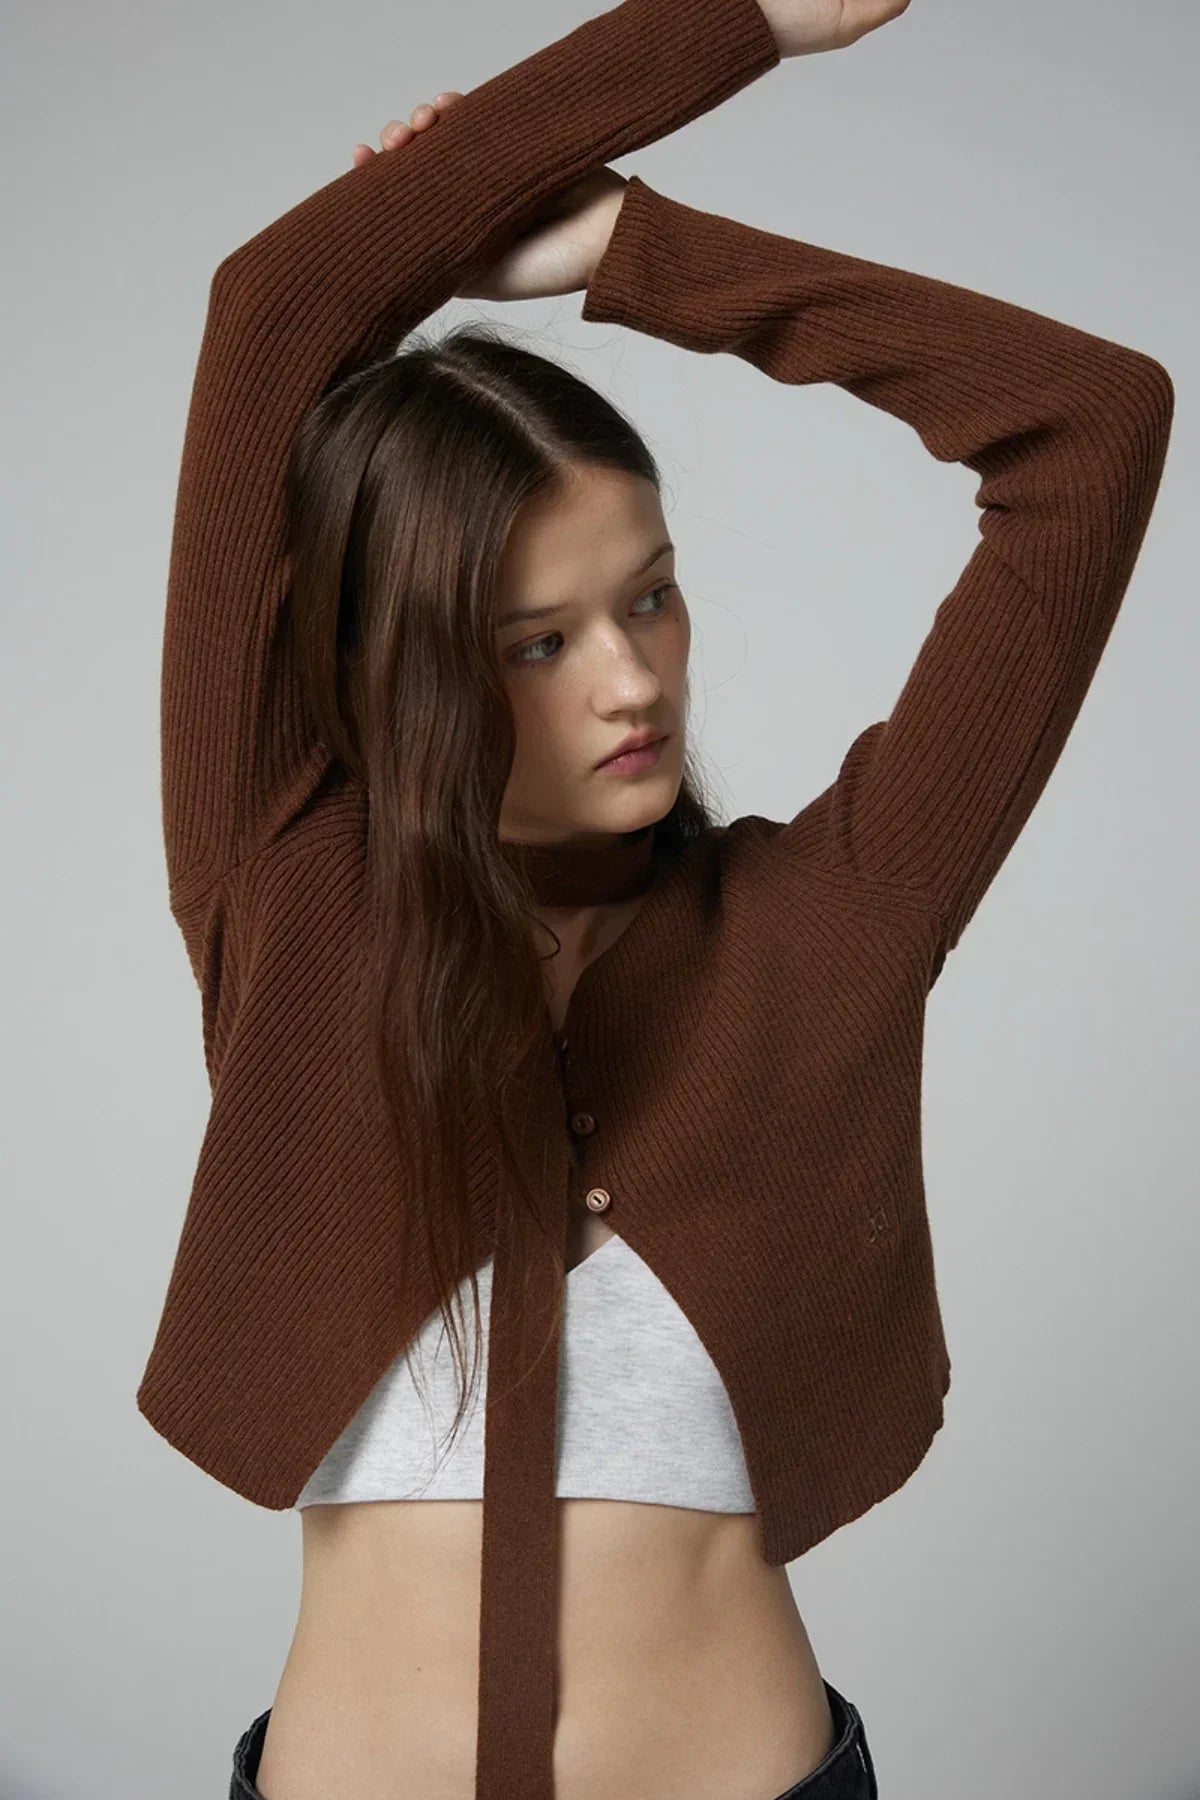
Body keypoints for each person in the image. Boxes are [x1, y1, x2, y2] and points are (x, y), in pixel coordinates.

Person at [134, 0, 1174, 1795]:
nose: (632, 681)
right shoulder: (284, 894)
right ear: (398, 668)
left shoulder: (834, 917)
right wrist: (726, 25)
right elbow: (272, 317)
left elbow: (1090, 428)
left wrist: (633, 250)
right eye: (537, 641)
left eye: (651, 597)